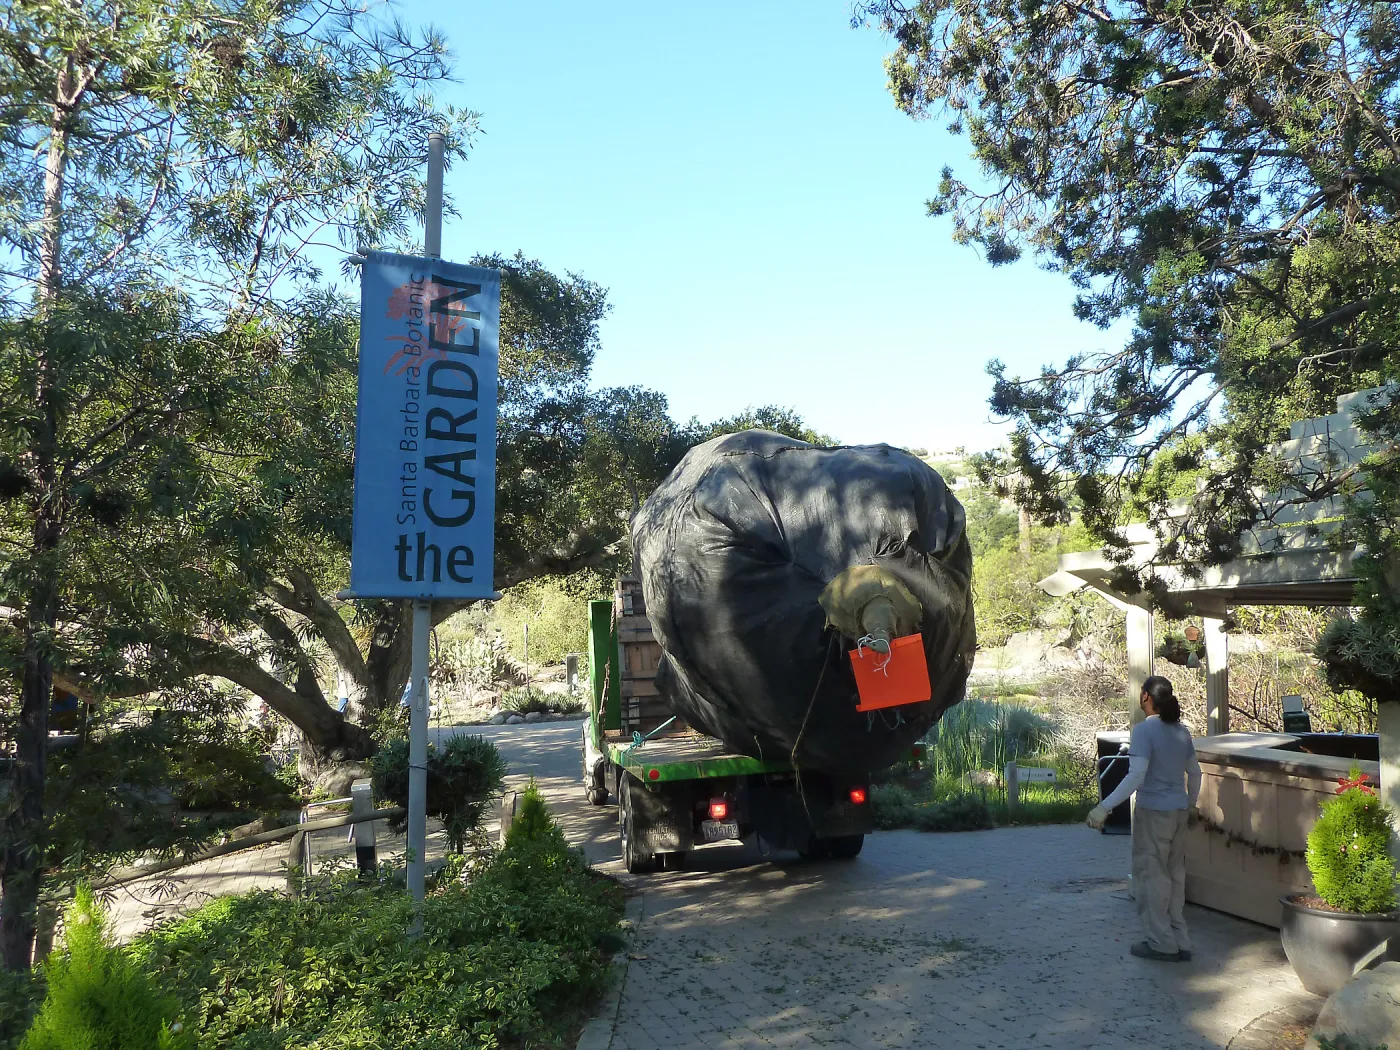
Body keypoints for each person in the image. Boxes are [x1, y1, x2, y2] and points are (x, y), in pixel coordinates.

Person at [1087, 675, 1203, 962]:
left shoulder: (1143, 732)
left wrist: (1105, 807)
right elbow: (1196, 773)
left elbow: (1136, 775)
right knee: (1175, 874)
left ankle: (1162, 943)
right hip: (1178, 812)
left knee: (1152, 877)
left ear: (1146, 697)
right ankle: (1181, 940)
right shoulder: (1182, 731)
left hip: (1154, 813)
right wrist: (1191, 804)